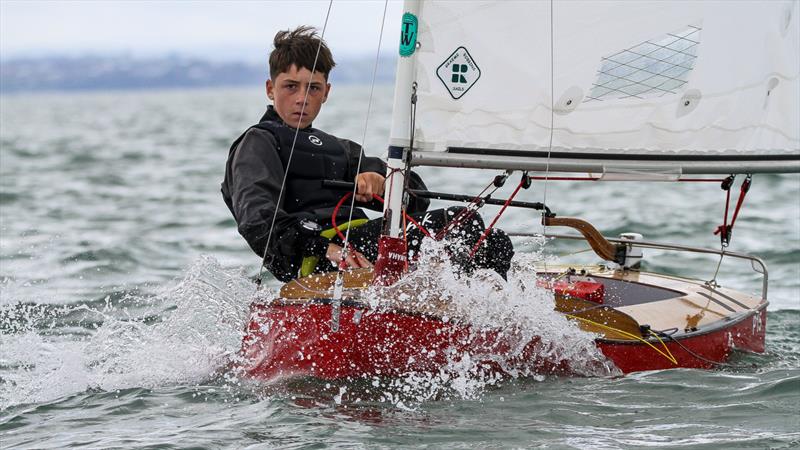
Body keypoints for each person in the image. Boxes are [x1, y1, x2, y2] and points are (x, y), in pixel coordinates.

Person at [222, 26, 513, 282]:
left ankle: (474, 325)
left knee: (493, 241)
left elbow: (417, 198)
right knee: (462, 223)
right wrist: (326, 249)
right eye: (290, 86)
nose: (302, 98)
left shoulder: (340, 149)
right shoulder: (258, 142)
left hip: (367, 241)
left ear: (326, 92)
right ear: (270, 89)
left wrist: (383, 184)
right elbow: (257, 220)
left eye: (313, 88)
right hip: (320, 258)